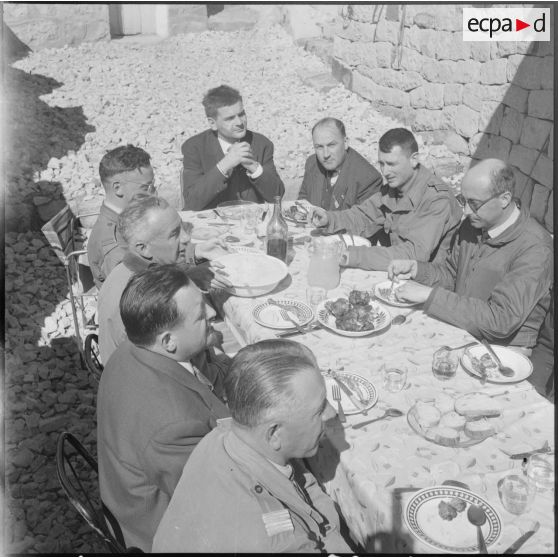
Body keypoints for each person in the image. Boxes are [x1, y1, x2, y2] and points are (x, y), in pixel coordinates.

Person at [153, 339, 353, 554]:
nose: (332, 414)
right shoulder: (278, 544)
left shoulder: (224, 436)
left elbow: (298, 481)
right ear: (274, 433)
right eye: (319, 409)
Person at [97, 265, 230, 552]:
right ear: (168, 341)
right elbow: (219, 495)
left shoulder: (133, 346)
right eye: (199, 315)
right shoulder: (172, 424)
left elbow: (200, 383)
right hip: (163, 533)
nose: (213, 313)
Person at [387, 159, 553, 350]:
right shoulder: (474, 225)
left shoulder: (535, 248)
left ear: (505, 199)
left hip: (502, 350)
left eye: (474, 203)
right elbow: (451, 275)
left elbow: (501, 320)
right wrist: (418, 270)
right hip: (461, 328)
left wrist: (431, 296)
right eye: (463, 201)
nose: (466, 211)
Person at [97, 194, 230, 363]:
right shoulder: (141, 302)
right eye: (174, 234)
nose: (186, 238)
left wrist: (190, 274)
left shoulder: (129, 271)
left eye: (182, 226)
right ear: (143, 248)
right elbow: (171, 367)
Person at [310, 128, 462, 271]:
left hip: (429, 285)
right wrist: (329, 219)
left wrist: (353, 255)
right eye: (381, 164)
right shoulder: (395, 188)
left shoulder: (437, 200)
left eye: (391, 164)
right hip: (399, 274)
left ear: (414, 159)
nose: (385, 171)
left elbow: (413, 254)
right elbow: (363, 215)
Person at [181, 84, 284, 210]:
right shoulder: (195, 147)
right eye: (230, 118)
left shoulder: (262, 144)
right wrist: (225, 164)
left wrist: (253, 166)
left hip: (251, 221)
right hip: (211, 224)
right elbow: (192, 202)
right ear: (213, 123)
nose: (240, 123)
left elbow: (277, 196)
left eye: (241, 114)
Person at [87, 145, 155, 287]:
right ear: (118, 188)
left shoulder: (128, 217)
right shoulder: (116, 249)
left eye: (153, 186)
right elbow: (140, 299)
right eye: (146, 187)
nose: (153, 193)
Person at [298, 117, 382, 210]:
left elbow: (364, 220)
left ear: (345, 142)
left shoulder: (368, 179)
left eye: (331, 145)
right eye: (319, 147)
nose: (326, 155)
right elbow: (302, 202)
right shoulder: (312, 163)